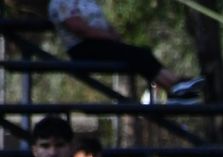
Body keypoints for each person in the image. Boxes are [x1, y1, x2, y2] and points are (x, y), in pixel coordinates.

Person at [47, 0, 204, 100]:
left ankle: (174, 86)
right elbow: (79, 28)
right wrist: (108, 36)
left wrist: (112, 34)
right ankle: (173, 84)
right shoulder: (62, 2)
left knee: (141, 53)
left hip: (103, 44)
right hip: (84, 49)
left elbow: (103, 24)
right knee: (138, 54)